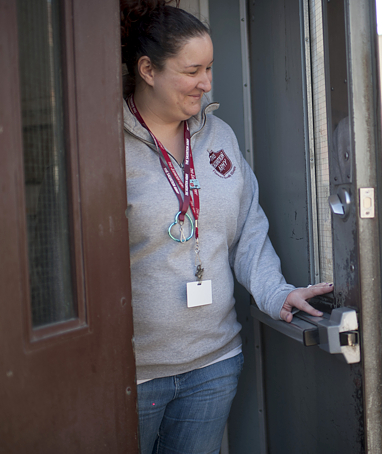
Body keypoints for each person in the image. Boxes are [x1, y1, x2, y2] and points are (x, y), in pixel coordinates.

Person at [120, 2, 332, 453]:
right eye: (192, 69)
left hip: (214, 365)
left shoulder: (219, 136)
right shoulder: (103, 145)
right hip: (131, 375)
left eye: (210, 68)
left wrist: (276, 292)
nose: (207, 83)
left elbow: (248, 230)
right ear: (147, 69)